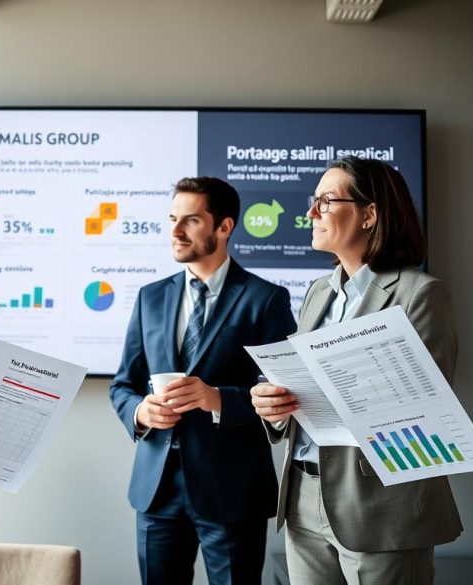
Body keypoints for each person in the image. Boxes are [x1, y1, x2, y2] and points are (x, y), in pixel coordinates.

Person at [250, 157, 462, 585]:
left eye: (326, 201)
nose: (311, 213)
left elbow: (422, 404)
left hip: (379, 502)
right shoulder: (317, 293)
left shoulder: (420, 293)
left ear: (369, 214)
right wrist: (274, 406)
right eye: (314, 201)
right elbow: (302, 388)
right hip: (302, 495)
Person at [109, 177, 297, 585]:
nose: (175, 232)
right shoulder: (150, 297)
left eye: (190, 220)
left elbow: (284, 395)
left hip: (231, 489)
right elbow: (122, 385)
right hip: (156, 487)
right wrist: (141, 412)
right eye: (173, 219)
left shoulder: (266, 299)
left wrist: (218, 399)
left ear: (224, 227)